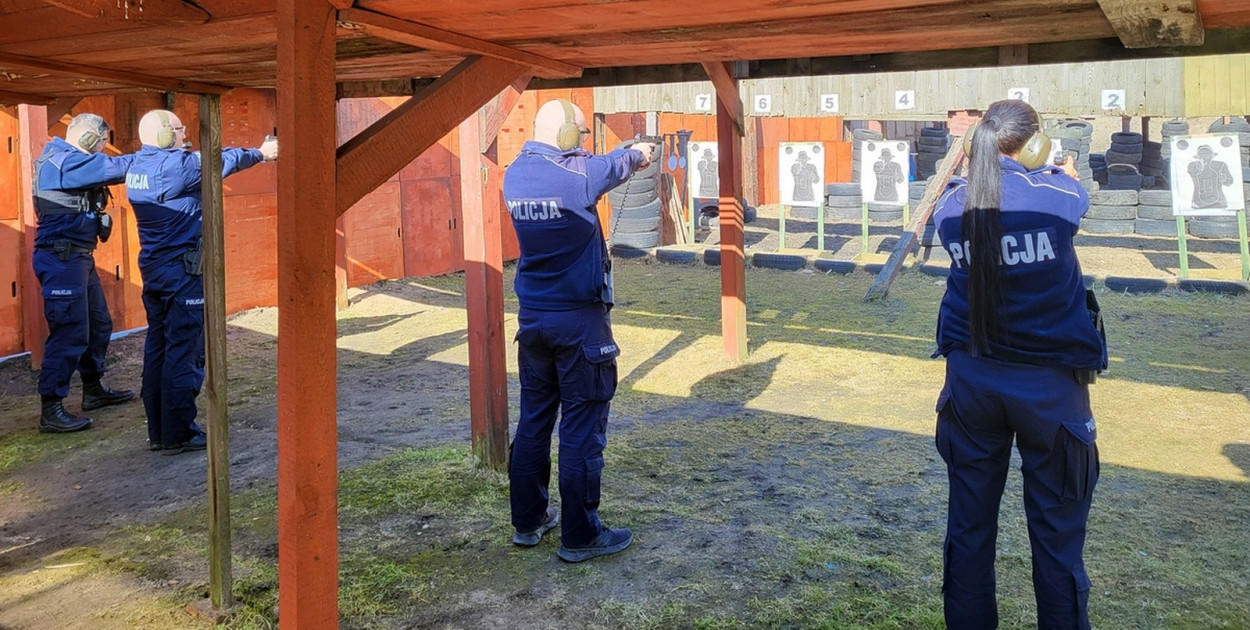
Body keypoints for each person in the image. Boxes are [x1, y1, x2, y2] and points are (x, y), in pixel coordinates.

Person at [931, 99, 1106, 629]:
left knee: (968, 529)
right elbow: (1076, 200)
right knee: (1056, 540)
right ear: (1033, 145)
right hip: (1049, 389)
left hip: (972, 383)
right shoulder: (1057, 192)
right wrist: (1060, 168)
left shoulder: (949, 208)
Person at [502, 99, 655, 562]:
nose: (585, 143)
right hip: (579, 324)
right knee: (582, 431)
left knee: (533, 424)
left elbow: (587, 167)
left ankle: (529, 521)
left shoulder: (515, 174)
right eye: (582, 134)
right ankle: (580, 535)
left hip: (533, 320)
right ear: (567, 133)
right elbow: (610, 166)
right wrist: (639, 151)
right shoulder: (577, 176)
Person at [124, 109, 277, 454]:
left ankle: (160, 432)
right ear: (164, 135)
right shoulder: (178, 166)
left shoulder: (137, 165)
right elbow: (220, 159)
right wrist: (262, 153)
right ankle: (179, 432)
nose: (183, 135)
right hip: (182, 273)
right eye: (178, 130)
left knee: (159, 349)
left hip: (156, 269)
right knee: (185, 352)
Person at [31, 113, 137, 434]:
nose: (104, 148)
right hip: (61, 260)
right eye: (103, 141)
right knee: (69, 330)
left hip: (77, 258)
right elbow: (118, 168)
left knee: (99, 324)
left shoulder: (69, 160)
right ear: (89, 137)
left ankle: (93, 390)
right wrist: (158, 158)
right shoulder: (65, 162)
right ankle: (51, 408)